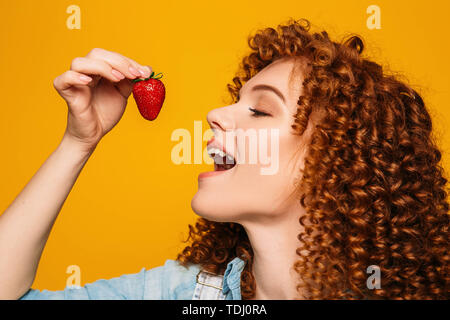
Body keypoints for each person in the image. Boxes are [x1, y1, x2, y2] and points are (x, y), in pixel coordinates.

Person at [0, 18, 448, 300]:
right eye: (236, 100)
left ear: (336, 159)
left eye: (260, 109)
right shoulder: (185, 291)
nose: (214, 115)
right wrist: (78, 142)